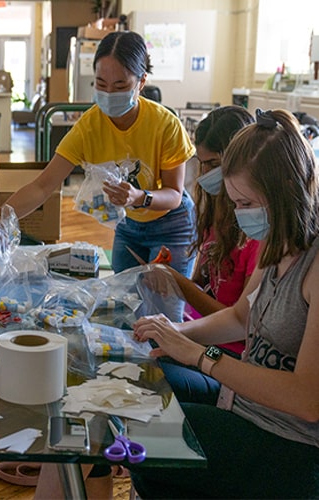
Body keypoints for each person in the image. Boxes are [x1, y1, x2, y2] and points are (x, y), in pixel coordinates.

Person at [131, 109, 319, 499]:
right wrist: (174, 333)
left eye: (247, 203)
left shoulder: (313, 265)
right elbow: (239, 316)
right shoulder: (277, 241)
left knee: (145, 440)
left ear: (287, 189)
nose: (239, 215)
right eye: (235, 202)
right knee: (140, 422)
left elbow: (307, 401)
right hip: (247, 412)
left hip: (292, 444)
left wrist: (201, 356)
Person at [0, 31, 196, 277]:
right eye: (101, 84)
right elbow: (42, 186)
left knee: (165, 306)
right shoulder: (89, 126)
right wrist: (0, 217)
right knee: (125, 301)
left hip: (172, 224)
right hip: (129, 225)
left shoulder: (165, 124)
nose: (109, 93)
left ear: (141, 82)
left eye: (120, 85)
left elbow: (174, 195)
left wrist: (138, 197)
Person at [154, 105, 259, 405]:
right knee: (145, 347)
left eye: (213, 164)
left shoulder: (257, 236)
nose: (204, 175)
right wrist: (170, 277)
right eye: (201, 164)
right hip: (207, 343)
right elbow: (203, 282)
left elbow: (239, 322)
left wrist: (181, 286)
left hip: (227, 355)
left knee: (159, 372)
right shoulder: (217, 215)